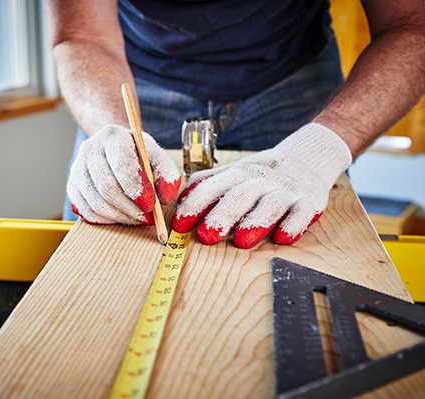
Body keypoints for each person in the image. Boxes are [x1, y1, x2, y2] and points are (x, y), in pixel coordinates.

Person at [46, 0, 425, 248]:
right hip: (129, 75)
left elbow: (412, 24)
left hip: (292, 73)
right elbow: (82, 35)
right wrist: (112, 130)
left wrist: (316, 153)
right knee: (98, 249)